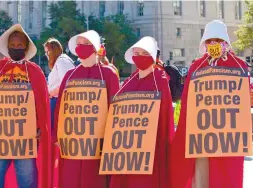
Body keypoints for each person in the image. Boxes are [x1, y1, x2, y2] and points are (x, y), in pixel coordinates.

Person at [170, 20, 250, 188]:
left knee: (226, 178)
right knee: (202, 180)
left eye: (218, 40)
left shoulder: (239, 66)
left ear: (226, 43)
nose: (214, 44)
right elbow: (186, 102)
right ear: (204, 43)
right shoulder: (196, 67)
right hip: (201, 137)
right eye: (210, 40)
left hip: (227, 138)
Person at [0, 24, 51, 188]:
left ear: (26, 47)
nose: (16, 48)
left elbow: (42, 105)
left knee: (27, 179)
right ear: (7, 47)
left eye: (19, 46)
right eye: (12, 46)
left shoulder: (35, 72)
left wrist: (39, 126)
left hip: (26, 138)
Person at [53, 30, 119, 188]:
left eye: (86, 44)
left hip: (97, 146)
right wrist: (57, 135)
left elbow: (115, 108)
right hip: (73, 144)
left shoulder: (108, 74)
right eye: (79, 44)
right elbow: (61, 107)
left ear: (95, 47)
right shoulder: (69, 75)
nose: (81, 47)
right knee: (71, 179)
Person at [108, 36, 174, 188]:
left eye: (142, 53)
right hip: (128, 146)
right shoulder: (129, 81)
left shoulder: (160, 80)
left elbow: (165, 117)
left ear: (151, 56)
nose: (138, 57)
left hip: (150, 147)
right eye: (135, 53)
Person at [44, 38, 75, 130]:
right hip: (56, 100)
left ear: (52, 50)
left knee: (55, 131)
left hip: (58, 101)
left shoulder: (62, 61)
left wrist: (50, 93)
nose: (46, 55)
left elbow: (66, 83)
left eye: (47, 52)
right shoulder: (61, 61)